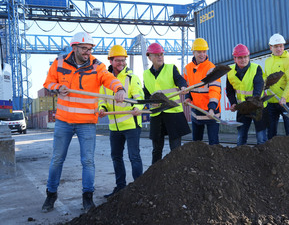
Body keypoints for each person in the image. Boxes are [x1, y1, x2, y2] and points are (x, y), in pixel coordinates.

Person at [42, 32, 125, 212]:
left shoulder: (97, 66)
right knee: (57, 159)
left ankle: (87, 197)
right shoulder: (60, 63)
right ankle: (51, 195)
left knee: (88, 161)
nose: (88, 52)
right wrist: (57, 88)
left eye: (90, 49)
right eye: (84, 49)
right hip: (63, 121)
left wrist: (119, 88)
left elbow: (108, 78)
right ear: (74, 48)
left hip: (87, 122)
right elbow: (47, 83)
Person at [98, 45, 144, 198]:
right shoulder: (105, 81)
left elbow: (139, 99)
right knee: (116, 157)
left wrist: (137, 107)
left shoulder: (132, 78)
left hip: (131, 125)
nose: (121, 63)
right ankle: (120, 187)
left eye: (123, 60)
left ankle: (139, 188)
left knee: (134, 156)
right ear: (110, 61)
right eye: (117, 60)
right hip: (114, 127)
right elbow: (102, 100)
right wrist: (102, 108)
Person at [143, 43, 191, 164]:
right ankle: (154, 175)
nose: (160, 57)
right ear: (150, 57)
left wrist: (183, 86)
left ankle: (177, 172)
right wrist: (150, 102)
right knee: (156, 149)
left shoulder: (171, 68)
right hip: (157, 114)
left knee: (175, 149)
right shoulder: (146, 74)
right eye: (156, 55)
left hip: (172, 113)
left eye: (161, 54)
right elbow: (146, 93)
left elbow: (179, 79)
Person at [226, 44, 269, 145]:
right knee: (241, 137)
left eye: (245, 57)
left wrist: (253, 101)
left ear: (249, 57)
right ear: (234, 59)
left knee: (261, 138)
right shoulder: (230, 72)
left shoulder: (256, 69)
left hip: (258, 107)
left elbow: (258, 87)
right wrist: (233, 103)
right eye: (240, 57)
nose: (243, 60)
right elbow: (230, 91)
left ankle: (264, 158)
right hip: (243, 109)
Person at [184, 38, 221, 145]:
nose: (202, 54)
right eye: (199, 52)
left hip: (211, 112)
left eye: (204, 51)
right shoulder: (187, 68)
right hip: (196, 112)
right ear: (193, 52)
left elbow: (215, 90)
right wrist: (188, 97)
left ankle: (215, 162)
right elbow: (188, 87)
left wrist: (212, 108)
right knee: (196, 144)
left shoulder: (211, 68)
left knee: (214, 144)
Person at [265, 33, 289, 139]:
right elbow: (266, 80)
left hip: (286, 101)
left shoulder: (288, 61)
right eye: (276, 46)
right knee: (271, 132)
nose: (279, 49)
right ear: (271, 47)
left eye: (281, 46)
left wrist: (284, 97)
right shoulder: (267, 61)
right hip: (271, 101)